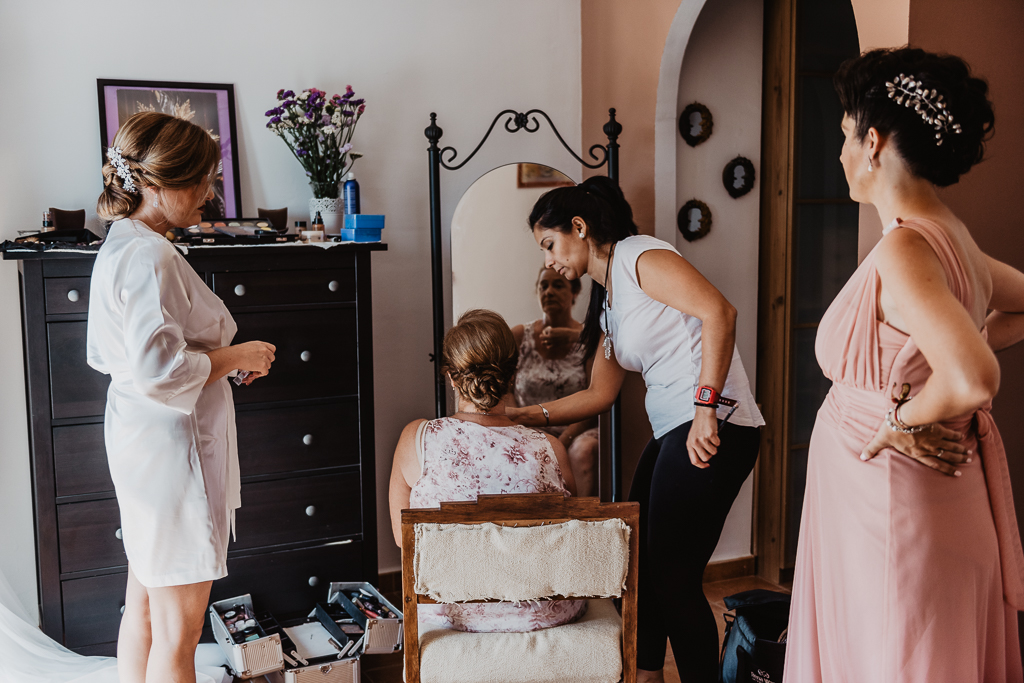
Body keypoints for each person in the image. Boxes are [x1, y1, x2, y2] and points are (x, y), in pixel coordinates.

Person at [783, 47, 1024, 682]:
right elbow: (980, 339)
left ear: (874, 140)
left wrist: (905, 415)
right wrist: (928, 367)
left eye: (843, 135)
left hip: (893, 505)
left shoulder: (908, 249)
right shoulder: (954, 238)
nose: (838, 154)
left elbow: (973, 379)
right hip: (905, 503)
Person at [506, 176, 764, 683]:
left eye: (549, 244)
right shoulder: (608, 301)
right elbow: (598, 395)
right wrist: (516, 418)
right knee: (641, 564)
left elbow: (719, 311)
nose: (548, 261)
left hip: (716, 422)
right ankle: (646, 675)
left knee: (675, 576)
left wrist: (706, 405)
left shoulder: (641, 257)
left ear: (578, 227)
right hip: (675, 427)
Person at [87, 111, 276, 683]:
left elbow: (139, 360)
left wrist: (217, 369)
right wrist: (239, 356)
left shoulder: (123, 244)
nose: (209, 194)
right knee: (181, 631)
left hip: (141, 442)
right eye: (200, 180)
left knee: (144, 604)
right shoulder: (151, 256)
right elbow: (159, 368)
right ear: (156, 183)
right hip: (172, 453)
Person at [389, 309, 585, 633]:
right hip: (545, 616)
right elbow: (564, 534)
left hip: (451, 617)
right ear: (513, 375)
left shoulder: (417, 440)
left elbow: (403, 539)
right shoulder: (551, 449)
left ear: (451, 377)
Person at [512, 265, 600, 496]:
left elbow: (596, 395)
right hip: (527, 427)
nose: (548, 291)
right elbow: (504, 390)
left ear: (574, 292)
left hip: (576, 431)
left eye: (558, 285)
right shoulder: (520, 337)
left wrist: (564, 439)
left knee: (585, 449)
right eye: (543, 286)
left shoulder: (588, 339)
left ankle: (581, 522)